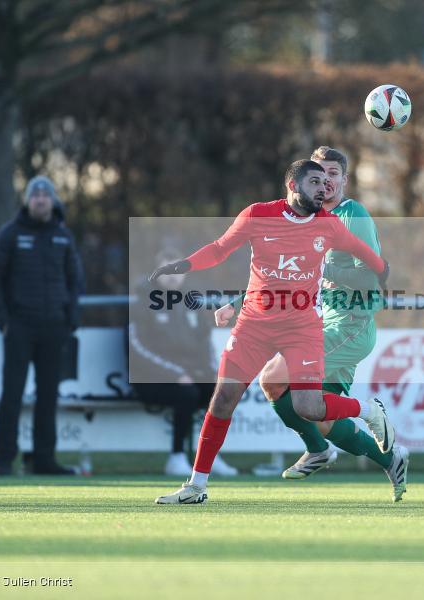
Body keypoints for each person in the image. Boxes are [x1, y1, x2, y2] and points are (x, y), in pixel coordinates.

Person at [150, 159, 393, 504]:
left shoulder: (329, 226)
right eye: (315, 181)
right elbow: (220, 249)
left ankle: (368, 410)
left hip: (301, 328)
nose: (323, 188)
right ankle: (196, 487)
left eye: (326, 182)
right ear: (292, 186)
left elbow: (363, 252)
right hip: (254, 327)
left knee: (309, 406)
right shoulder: (257, 214)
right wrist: (182, 265)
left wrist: (382, 270)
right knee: (222, 402)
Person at [215, 146, 408, 502]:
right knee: (317, 414)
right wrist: (239, 302)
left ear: (344, 180)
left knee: (273, 378)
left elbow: (373, 278)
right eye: (319, 175)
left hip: (349, 324)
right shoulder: (305, 220)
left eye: (333, 174)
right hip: (322, 324)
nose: (326, 182)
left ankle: (322, 448)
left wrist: (324, 269)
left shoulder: (353, 216)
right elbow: (279, 277)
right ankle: (389, 457)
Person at [0, 175, 81, 476]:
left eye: (45, 194)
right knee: (12, 393)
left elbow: (75, 280)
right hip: (19, 327)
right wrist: (3, 321)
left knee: (48, 396)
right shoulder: (10, 235)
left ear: (53, 200)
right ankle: (3, 461)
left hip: (54, 327)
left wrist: (71, 318)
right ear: (27, 201)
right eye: (34, 194)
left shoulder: (63, 236)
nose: (40, 198)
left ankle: (44, 460)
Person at [128, 248, 238, 477]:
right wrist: (175, 374)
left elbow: (205, 342)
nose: (173, 275)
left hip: (188, 375)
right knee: (185, 393)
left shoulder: (191, 303)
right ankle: (176, 456)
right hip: (150, 379)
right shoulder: (141, 304)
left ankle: (208, 455)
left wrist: (210, 373)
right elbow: (136, 349)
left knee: (218, 392)